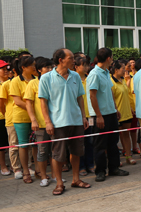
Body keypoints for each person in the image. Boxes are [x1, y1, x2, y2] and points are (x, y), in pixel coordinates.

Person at [39, 48, 91, 195]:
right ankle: (59, 183)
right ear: (61, 60)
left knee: (76, 151)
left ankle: (76, 179)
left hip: (75, 121)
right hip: (57, 123)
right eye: (70, 58)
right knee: (58, 154)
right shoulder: (46, 78)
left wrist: (83, 116)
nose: (74, 60)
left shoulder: (75, 76)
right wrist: (48, 122)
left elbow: (80, 97)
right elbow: (43, 102)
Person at [87, 48, 129, 182]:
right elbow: (92, 96)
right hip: (100, 115)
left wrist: (115, 108)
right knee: (100, 144)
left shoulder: (106, 73)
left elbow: (110, 92)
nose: (112, 60)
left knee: (113, 142)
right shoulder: (94, 74)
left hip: (110, 113)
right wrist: (98, 116)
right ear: (108, 58)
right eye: (111, 57)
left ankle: (114, 167)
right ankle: (100, 170)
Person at [25, 57, 54, 186]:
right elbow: (29, 104)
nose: (50, 70)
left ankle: (55, 175)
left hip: (56, 122)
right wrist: (33, 120)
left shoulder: (54, 81)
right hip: (41, 125)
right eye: (47, 68)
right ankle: (43, 176)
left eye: (51, 67)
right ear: (39, 70)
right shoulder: (33, 84)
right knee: (42, 151)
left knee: (55, 151)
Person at [10, 55, 38, 184]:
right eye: (31, 65)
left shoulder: (37, 79)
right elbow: (17, 101)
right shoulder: (15, 81)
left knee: (36, 144)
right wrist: (32, 109)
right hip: (21, 117)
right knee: (23, 144)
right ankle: (25, 171)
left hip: (37, 117)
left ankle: (37, 169)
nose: (34, 67)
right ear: (23, 68)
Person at [110, 60, 135, 166]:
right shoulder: (111, 82)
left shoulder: (123, 80)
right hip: (117, 113)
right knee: (116, 137)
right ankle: (116, 159)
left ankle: (128, 156)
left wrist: (130, 107)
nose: (125, 70)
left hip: (126, 112)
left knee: (126, 134)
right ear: (116, 70)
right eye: (123, 68)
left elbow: (126, 94)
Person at [0, 60, 11, 176]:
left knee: (11, 143)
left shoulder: (10, 82)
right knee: (2, 144)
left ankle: (13, 164)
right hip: (1, 117)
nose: (6, 71)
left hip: (10, 117)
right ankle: (3, 165)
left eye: (7, 69)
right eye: (3, 69)